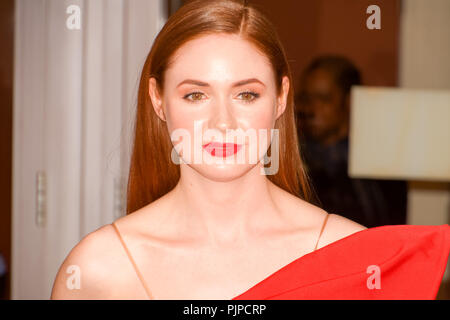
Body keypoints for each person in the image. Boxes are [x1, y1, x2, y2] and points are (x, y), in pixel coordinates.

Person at [51, 0, 449, 300]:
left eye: (245, 94)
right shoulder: (98, 270)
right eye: (194, 94)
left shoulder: (353, 259)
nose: (222, 122)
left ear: (280, 99)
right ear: (158, 101)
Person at [295, 55, 408, 228]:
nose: (309, 108)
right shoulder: (295, 159)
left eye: (323, 98)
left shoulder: (381, 161)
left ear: (349, 101)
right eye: (306, 98)